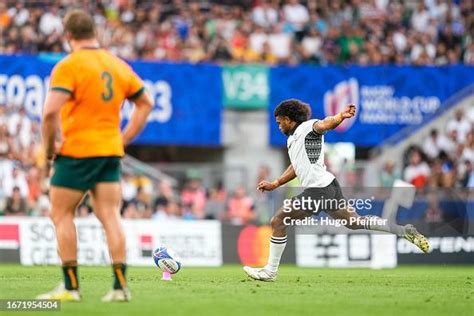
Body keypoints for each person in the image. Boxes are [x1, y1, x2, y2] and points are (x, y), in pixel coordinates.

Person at [243, 99, 429, 282]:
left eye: (279, 122)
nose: (278, 126)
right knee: (355, 222)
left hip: (318, 190)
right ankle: (403, 231)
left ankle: (270, 271)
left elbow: (325, 124)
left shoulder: (308, 127)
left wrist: (340, 116)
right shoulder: (293, 139)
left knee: (278, 220)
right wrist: (276, 183)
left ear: (289, 119)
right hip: (328, 186)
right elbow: (296, 166)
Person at [37, 10, 153, 302]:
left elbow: (50, 112)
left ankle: (71, 287)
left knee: (62, 214)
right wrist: (123, 139)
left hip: (77, 150)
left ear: (67, 36)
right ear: (94, 32)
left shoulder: (69, 66)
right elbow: (145, 102)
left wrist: (50, 149)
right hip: (109, 151)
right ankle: (119, 287)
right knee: (110, 216)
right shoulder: (116, 64)